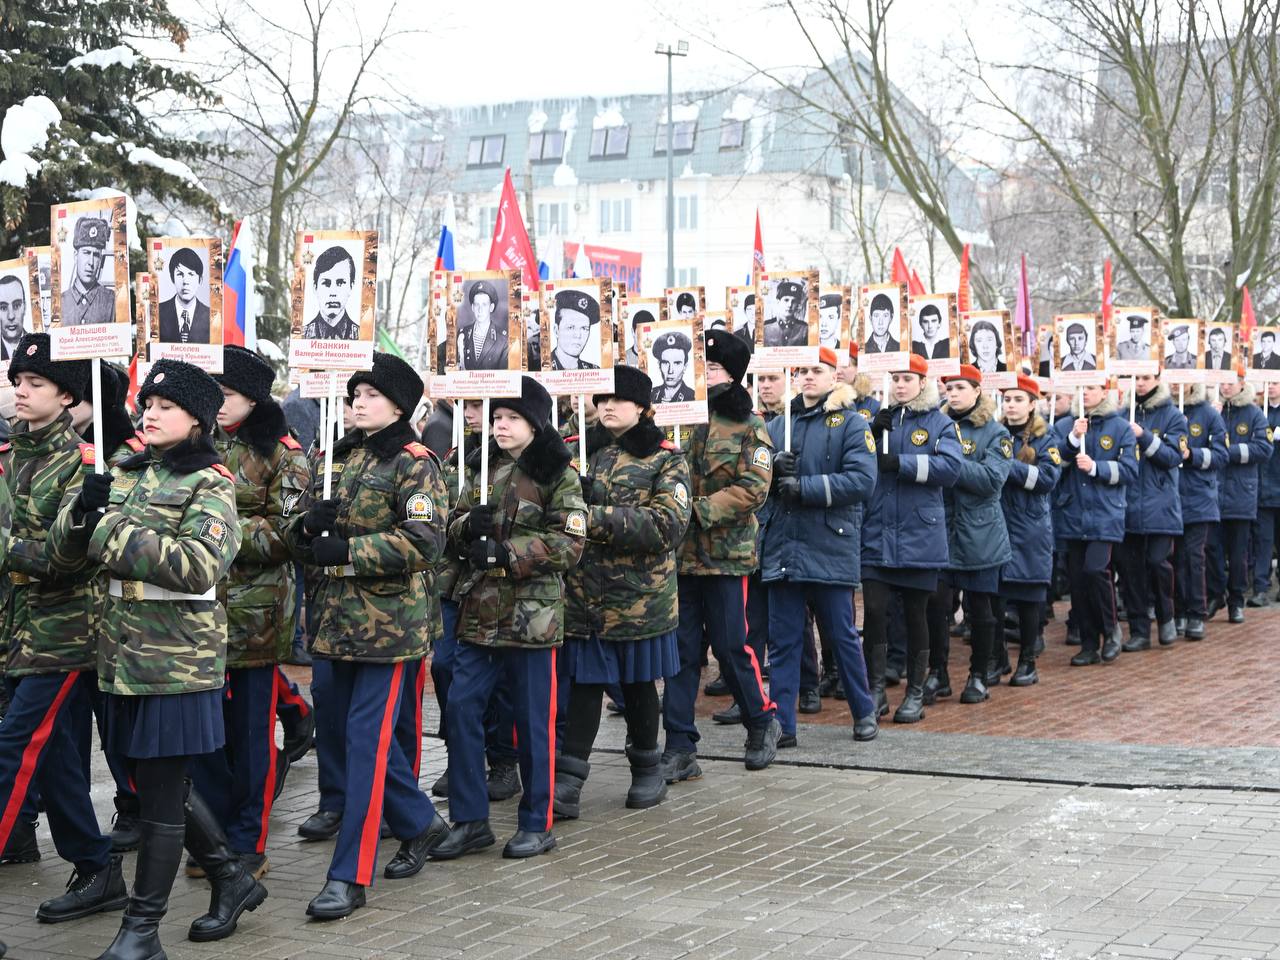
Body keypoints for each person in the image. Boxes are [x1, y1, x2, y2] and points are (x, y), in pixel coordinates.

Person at [48, 358, 261, 958]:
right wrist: (79, 514)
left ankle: (142, 931)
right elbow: (64, 558)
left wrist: (109, 528)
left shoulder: (211, 483)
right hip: (120, 656)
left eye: (167, 407)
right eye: (148, 404)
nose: (151, 414)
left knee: (161, 796)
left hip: (176, 660)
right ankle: (230, 877)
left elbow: (198, 566)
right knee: (152, 783)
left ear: (197, 419)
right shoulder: (125, 469)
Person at [286, 352, 449, 918]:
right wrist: (307, 527)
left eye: (371, 395)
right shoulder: (336, 456)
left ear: (398, 406)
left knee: (366, 743)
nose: (358, 402)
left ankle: (349, 876)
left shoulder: (415, 464)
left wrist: (349, 550)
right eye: (355, 394)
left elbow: (425, 542)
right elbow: (297, 530)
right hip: (334, 625)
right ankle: (420, 822)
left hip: (389, 629)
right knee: (343, 736)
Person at [0, 334, 128, 925]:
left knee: (13, 747)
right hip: (14, 628)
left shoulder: (84, 465)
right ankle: (97, 866)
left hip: (63, 633)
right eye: (17, 382)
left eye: (37, 383)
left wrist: (9, 546)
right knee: (51, 756)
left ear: (68, 395)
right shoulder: (9, 458)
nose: (21, 392)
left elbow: (64, 559)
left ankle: (220, 860)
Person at [429, 376, 585, 861]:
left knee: (533, 722)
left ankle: (537, 822)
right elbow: (450, 522)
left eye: (512, 417)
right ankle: (470, 819)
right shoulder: (479, 466)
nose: (500, 425)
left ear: (535, 424)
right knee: (461, 708)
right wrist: (465, 527)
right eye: (496, 417)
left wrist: (507, 552)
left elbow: (570, 541)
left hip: (532, 616)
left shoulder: (558, 473)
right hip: (479, 610)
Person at [186, 346, 309, 882]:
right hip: (197, 613)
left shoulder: (283, 454)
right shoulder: (197, 443)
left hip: (255, 615)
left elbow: (289, 534)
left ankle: (247, 842)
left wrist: (215, 528)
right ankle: (212, 836)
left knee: (253, 733)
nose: (218, 404)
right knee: (206, 734)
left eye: (228, 395)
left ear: (254, 399)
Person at [555, 365, 690, 817]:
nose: (607, 406)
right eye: (602, 399)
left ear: (642, 407)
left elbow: (667, 525)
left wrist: (593, 513)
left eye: (618, 399)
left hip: (638, 599)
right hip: (584, 595)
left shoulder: (666, 458)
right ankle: (570, 778)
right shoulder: (576, 451)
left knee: (637, 686)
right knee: (584, 686)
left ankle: (647, 768)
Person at [661, 330, 781, 779]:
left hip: (726, 555)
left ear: (731, 375)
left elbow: (754, 487)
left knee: (732, 647)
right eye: (702, 367)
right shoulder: (675, 416)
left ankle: (761, 721)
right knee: (681, 651)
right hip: (680, 555)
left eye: (712, 368)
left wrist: (699, 510)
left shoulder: (749, 425)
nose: (704, 375)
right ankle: (679, 745)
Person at [759, 346, 878, 743]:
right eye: (803, 370)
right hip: (785, 545)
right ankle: (783, 724)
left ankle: (863, 710)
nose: (808, 377)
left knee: (841, 636)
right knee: (783, 642)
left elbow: (863, 480)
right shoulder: (779, 425)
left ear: (834, 377)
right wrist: (772, 471)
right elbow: (755, 482)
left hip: (830, 543)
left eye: (818, 370)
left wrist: (806, 487)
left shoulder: (851, 423)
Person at [860, 353, 963, 722]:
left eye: (907, 379)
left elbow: (951, 468)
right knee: (874, 612)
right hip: (878, 531)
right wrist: (871, 434)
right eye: (896, 378)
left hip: (920, 533)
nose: (900, 385)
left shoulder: (940, 423)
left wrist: (902, 464)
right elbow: (855, 461)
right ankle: (875, 688)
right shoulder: (880, 419)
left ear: (922, 383)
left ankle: (915, 691)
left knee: (917, 615)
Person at [929, 364, 1012, 706]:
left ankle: (978, 673)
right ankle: (937, 672)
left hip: (981, 532)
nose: (954, 394)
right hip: (942, 529)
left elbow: (992, 479)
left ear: (977, 391)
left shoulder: (995, 432)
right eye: (950, 388)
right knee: (936, 605)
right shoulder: (937, 425)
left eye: (961, 387)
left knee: (980, 609)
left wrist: (950, 463)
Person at [1057, 382, 1137, 665]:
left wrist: (1096, 468)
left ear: (1105, 392)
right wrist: (1072, 439)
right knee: (1078, 581)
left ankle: (1111, 629)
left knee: (1095, 570)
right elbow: (1054, 460)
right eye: (1082, 388)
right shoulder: (1065, 425)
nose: (1086, 392)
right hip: (1073, 513)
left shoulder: (1120, 427)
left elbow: (1129, 470)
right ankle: (1088, 643)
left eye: (1092, 387)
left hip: (1105, 513)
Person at [994, 375, 1061, 686]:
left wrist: (1009, 466)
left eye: (1018, 399)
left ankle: (1027, 662)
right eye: (1007, 399)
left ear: (1033, 404)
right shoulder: (995, 433)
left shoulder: (1045, 438)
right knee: (994, 598)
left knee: (1029, 599)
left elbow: (1048, 479)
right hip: (997, 523)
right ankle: (998, 658)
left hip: (1030, 527)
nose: (1011, 405)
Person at [1118, 373, 1188, 651]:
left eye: (1146, 378)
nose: (1140, 383)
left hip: (1160, 504)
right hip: (1128, 504)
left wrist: (1143, 436)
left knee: (1159, 562)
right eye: (1136, 378)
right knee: (1131, 571)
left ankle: (1166, 615)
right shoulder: (1122, 414)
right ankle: (1139, 630)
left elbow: (1173, 457)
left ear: (1157, 378)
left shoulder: (1173, 416)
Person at [1207, 374, 1271, 623]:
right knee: (1212, 548)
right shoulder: (1212, 411)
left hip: (1241, 493)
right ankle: (1216, 593)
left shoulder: (1254, 414)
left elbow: (1264, 448)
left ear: (1242, 384)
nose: (1225, 387)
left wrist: (1228, 452)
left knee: (1238, 553)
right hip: (1213, 493)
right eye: (1222, 383)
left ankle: (1236, 600)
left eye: (1230, 383)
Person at [1174, 383, 1226, 639]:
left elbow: (1221, 455)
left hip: (1198, 496)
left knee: (1193, 556)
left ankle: (1196, 612)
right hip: (1169, 497)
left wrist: (1191, 454)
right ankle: (1178, 610)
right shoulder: (1165, 411)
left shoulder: (1209, 414)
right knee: (1174, 558)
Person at [1251, 381, 1280, 607]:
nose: (1271, 387)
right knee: (1263, 541)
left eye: (1276, 383)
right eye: (1268, 383)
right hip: (1262, 488)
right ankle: (1260, 587)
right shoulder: (1258, 412)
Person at [60, 216, 116, 326]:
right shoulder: (60, 302)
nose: (91, 262)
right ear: (76, 256)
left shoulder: (112, 300)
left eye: (96, 255)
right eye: (86, 253)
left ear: (100, 259)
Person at [302, 246, 360, 340]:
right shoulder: (301, 337)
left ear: (351, 286)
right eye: (326, 283)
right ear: (315, 287)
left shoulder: (362, 337)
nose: (333, 292)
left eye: (340, 283)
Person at [157, 247, 211, 344]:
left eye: (191, 274)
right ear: (172, 278)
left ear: (200, 280)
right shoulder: (158, 312)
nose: (185, 281)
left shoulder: (211, 316)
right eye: (180, 274)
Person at [457, 280, 510, 370]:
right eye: (477, 305)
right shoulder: (463, 334)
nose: (480, 310)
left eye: (484, 305)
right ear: (472, 307)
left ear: (491, 307)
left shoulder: (503, 340)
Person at [551, 289, 599, 370]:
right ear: (556, 331)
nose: (578, 335)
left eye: (584, 328)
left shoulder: (594, 370)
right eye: (570, 327)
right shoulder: (541, 367)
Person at [651, 331, 695, 404]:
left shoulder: (693, 397)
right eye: (665, 363)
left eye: (677, 363)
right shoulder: (651, 395)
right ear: (659, 365)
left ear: (685, 366)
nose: (670, 371)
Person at [764, 281, 808, 346]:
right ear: (778, 302)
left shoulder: (805, 329)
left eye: (794, 301)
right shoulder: (765, 328)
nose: (790, 305)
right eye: (786, 300)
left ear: (797, 304)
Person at [0, 273, 26, 359]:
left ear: (25, 307)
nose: (11, 316)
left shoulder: (41, 344)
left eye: (16, 306)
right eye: (3, 308)